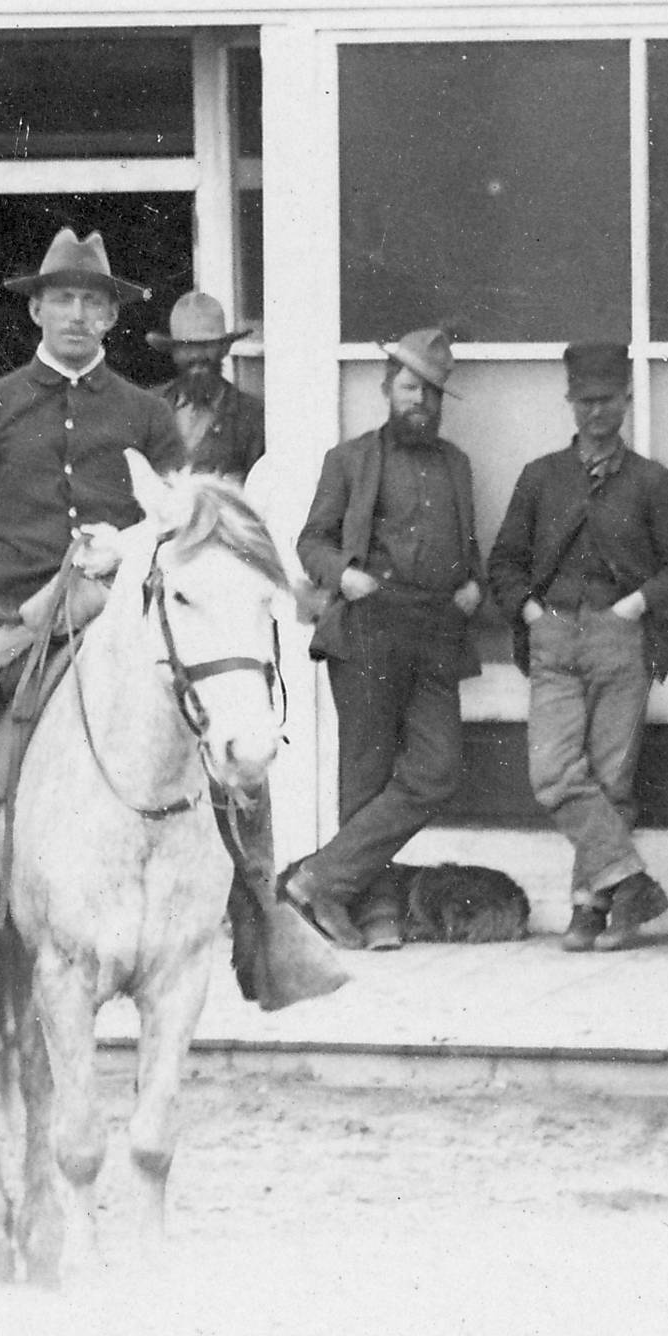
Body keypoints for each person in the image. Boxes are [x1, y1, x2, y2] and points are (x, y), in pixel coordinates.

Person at [0, 228, 337, 1019]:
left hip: (119, 618)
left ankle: (263, 918)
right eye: (62, 299)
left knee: (235, 750)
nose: (77, 315)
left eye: (93, 302)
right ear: (36, 310)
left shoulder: (146, 413)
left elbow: (179, 524)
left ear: (111, 319)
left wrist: (120, 544)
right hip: (12, 622)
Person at [486, 339, 668, 951]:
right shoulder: (541, 478)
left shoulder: (654, 484)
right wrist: (531, 613)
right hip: (554, 636)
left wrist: (634, 606)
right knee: (553, 774)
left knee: (611, 782)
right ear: (569, 402)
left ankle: (591, 910)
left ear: (627, 402)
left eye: (607, 401)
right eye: (584, 401)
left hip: (620, 639)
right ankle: (633, 878)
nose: (596, 413)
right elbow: (503, 561)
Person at [284, 329, 484, 952]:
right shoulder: (349, 460)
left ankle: (319, 879)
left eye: (431, 393)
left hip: (434, 631)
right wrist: (344, 575)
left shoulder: (455, 464)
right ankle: (372, 913)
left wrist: (474, 584)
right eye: (409, 388)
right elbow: (311, 541)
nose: (420, 402)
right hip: (369, 628)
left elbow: (467, 546)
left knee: (437, 771)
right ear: (386, 389)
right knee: (366, 777)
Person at [154, 288, 271, 482]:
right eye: (186, 346)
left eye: (206, 346)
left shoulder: (252, 417)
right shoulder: (150, 408)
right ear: (173, 352)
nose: (196, 356)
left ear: (224, 348)